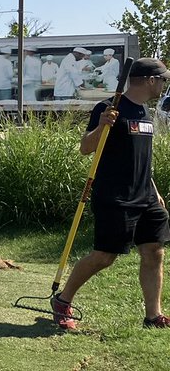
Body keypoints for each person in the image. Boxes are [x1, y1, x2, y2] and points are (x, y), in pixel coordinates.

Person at [51, 58, 170, 330]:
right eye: (163, 79)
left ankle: (153, 316)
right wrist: (103, 125)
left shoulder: (145, 112)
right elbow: (86, 148)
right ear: (150, 80)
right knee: (105, 256)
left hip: (146, 195)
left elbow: (140, 157)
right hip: (115, 196)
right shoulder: (108, 108)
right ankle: (63, 300)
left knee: (155, 251)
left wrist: (154, 189)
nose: (165, 84)